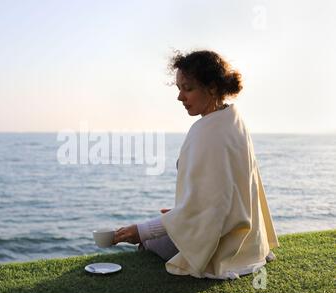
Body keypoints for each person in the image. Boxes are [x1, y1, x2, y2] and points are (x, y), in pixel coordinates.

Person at [113, 50, 279, 279]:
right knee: (163, 233)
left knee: (153, 243)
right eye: (179, 88)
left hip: (220, 245)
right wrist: (183, 213)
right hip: (247, 242)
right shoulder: (233, 119)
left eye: (187, 88)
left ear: (211, 88)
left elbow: (210, 207)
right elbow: (227, 193)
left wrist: (141, 232)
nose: (180, 97)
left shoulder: (207, 132)